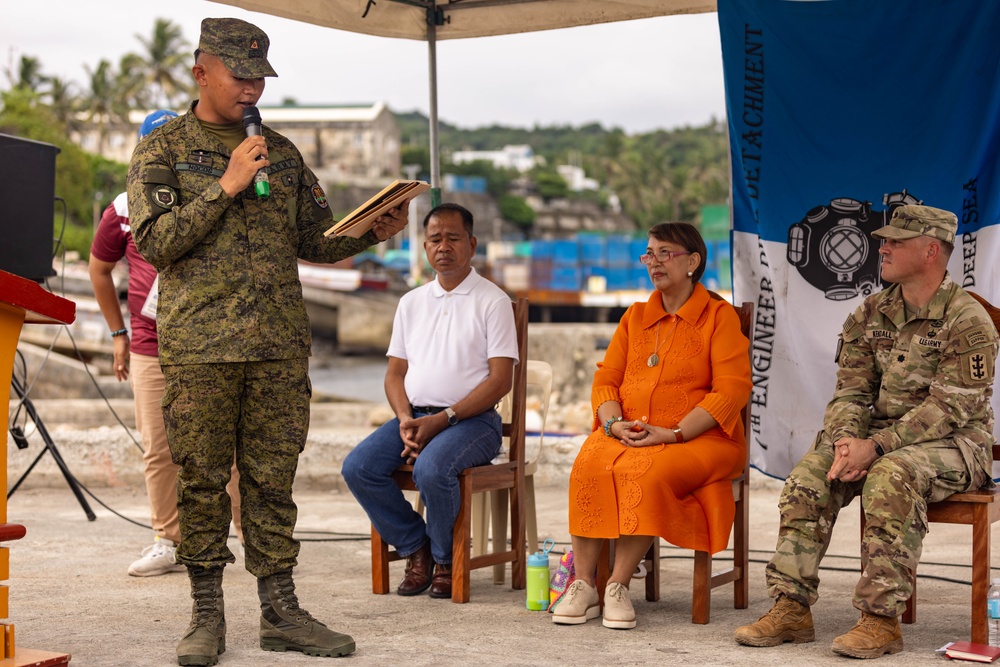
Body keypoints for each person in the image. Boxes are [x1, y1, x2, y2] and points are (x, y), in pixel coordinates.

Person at [126, 18, 408, 664]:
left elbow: (313, 237)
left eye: (260, 77)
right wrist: (225, 184)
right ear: (202, 71)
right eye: (240, 76)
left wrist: (374, 229)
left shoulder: (280, 152)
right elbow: (157, 242)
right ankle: (206, 613)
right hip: (202, 347)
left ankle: (281, 609)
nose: (252, 88)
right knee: (200, 482)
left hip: (279, 346)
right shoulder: (162, 149)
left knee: (272, 481)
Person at [733, 205, 998, 659]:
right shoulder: (871, 312)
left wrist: (873, 447)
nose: (883, 246)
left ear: (931, 250)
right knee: (810, 475)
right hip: (874, 439)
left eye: (896, 240)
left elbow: (949, 408)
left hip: (954, 443)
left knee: (891, 473)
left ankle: (880, 620)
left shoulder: (966, 318)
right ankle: (791, 607)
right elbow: (851, 392)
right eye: (885, 239)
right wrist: (844, 442)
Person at [552, 222, 752, 630]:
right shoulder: (635, 316)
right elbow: (606, 377)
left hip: (701, 439)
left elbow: (733, 388)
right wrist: (612, 425)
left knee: (644, 470)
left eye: (665, 253)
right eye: (649, 254)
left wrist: (675, 433)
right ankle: (585, 585)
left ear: (693, 261)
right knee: (589, 461)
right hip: (633, 431)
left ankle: (617, 585)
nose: (654, 262)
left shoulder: (718, 317)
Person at [90, 110, 244, 578]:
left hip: (209, 342)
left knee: (231, 446)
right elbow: (99, 271)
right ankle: (167, 539)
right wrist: (118, 334)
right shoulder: (122, 208)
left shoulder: (213, 197)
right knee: (159, 447)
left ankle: (252, 537)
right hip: (149, 344)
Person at [341, 203, 519, 600]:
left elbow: (501, 380)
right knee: (358, 467)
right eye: (435, 239)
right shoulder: (411, 302)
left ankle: (442, 559)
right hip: (416, 417)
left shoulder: (493, 301)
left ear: (471, 244)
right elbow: (394, 374)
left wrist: (444, 418)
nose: (444, 247)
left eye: (453, 238)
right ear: (424, 247)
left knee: (433, 470)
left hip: (473, 423)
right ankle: (414, 546)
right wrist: (405, 419)